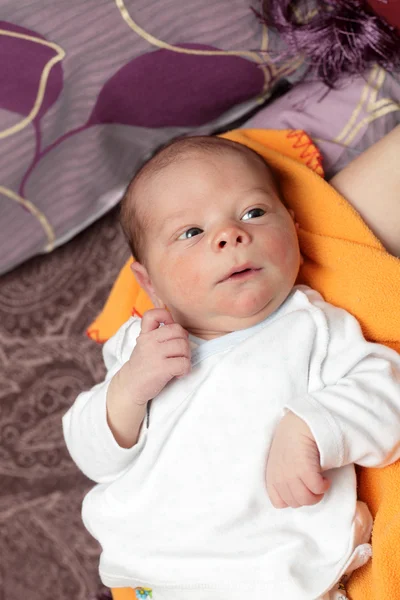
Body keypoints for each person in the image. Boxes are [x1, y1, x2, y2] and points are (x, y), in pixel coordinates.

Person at [63, 132, 400, 600]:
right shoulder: (143, 345)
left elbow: (387, 396)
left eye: (254, 213)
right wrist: (128, 388)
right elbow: (91, 454)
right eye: (191, 232)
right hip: (156, 580)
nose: (230, 234)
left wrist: (311, 427)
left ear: (295, 229)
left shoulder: (315, 327)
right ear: (149, 282)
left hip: (280, 578)